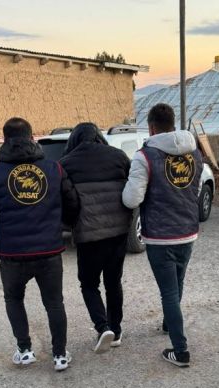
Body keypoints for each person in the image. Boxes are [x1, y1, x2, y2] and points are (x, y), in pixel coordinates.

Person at [0, 117, 80, 372]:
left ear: (5, 139)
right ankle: (59, 355)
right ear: (32, 137)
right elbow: (73, 203)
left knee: (13, 299)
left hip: (12, 254)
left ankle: (24, 350)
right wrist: (61, 224)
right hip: (49, 251)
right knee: (54, 302)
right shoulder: (54, 169)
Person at [122, 103, 203, 368]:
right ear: (172, 123)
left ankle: (180, 351)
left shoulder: (144, 156)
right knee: (177, 283)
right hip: (188, 231)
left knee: (168, 291)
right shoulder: (194, 152)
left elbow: (132, 199)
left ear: (151, 127)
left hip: (160, 236)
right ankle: (170, 323)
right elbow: (194, 189)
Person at [59, 123, 132, 353]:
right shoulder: (119, 157)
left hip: (89, 235)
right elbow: (131, 190)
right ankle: (116, 331)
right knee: (113, 282)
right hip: (119, 232)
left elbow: (66, 202)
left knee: (89, 284)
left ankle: (102, 327)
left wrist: (71, 223)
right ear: (99, 136)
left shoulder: (66, 163)